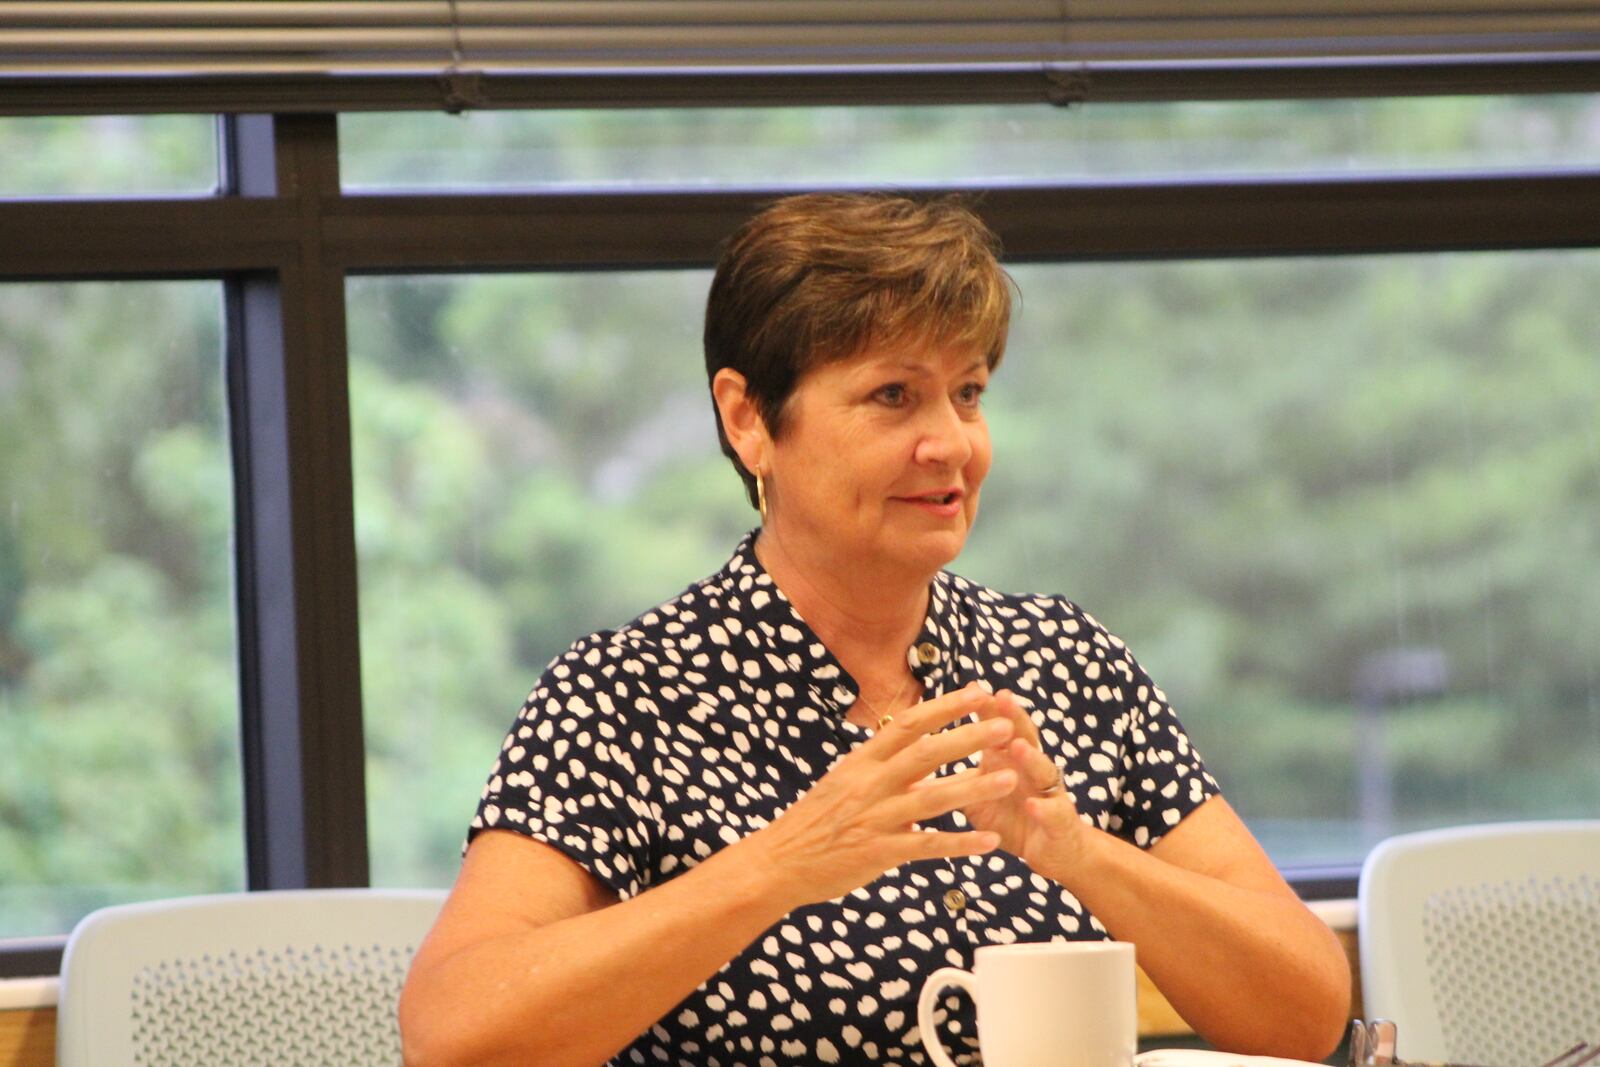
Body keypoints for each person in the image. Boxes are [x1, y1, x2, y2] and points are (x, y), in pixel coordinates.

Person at [399, 193, 1351, 1067]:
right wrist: (778, 864)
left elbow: (1306, 1010)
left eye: (968, 392)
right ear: (749, 419)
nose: (951, 443)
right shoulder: (626, 696)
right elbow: (454, 1031)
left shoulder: (1066, 658)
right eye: (894, 396)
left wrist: (1080, 851)